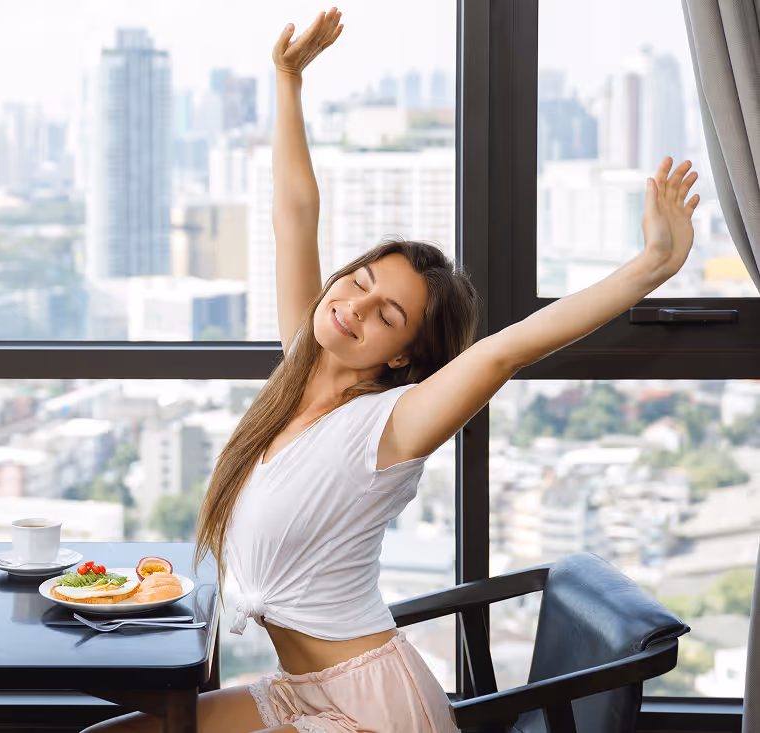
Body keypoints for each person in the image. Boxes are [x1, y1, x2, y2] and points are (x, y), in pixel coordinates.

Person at [84, 7, 700, 733]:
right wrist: (287, 81)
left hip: (370, 711)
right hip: (298, 690)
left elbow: (506, 349)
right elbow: (294, 215)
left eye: (387, 314)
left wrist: (650, 266)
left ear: (404, 355)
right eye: (360, 281)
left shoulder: (389, 426)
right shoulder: (297, 371)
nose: (355, 304)